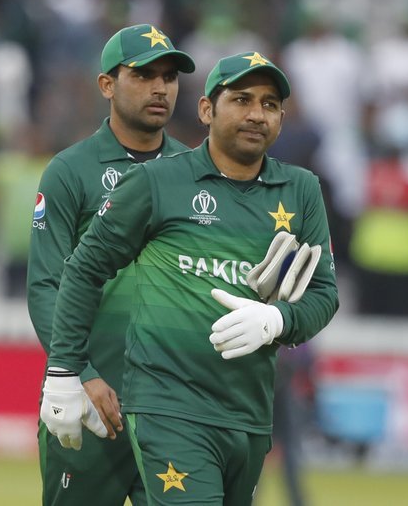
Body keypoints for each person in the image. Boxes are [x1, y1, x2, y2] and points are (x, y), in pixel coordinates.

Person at [40, 51, 339, 505]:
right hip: (168, 408)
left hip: (249, 413)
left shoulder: (302, 190)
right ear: (206, 110)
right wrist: (64, 371)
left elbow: (324, 294)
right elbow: (83, 268)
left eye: (270, 104)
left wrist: (276, 320)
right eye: (241, 99)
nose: (257, 114)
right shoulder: (157, 182)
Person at [27, 24, 195, 505]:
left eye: (169, 76)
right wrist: (79, 372)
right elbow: (45, 285)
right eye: (143, 75)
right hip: (88, 400)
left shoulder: (196, 174)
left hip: (173, 408)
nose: (160, 87)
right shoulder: (71, 171)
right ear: (107, 85)